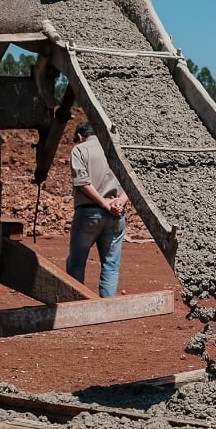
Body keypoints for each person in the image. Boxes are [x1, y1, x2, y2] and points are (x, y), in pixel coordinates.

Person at [66, 121, 127, 298]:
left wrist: (103, 203)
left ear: (80, 136)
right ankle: (108, 309)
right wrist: (120, 202)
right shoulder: (115, 150)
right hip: (116, 215)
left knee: (77, 262)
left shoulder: (80, 149)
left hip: (89, 213)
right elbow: (132, 184)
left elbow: (82, 182)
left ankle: (74, 304)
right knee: (111, 265)